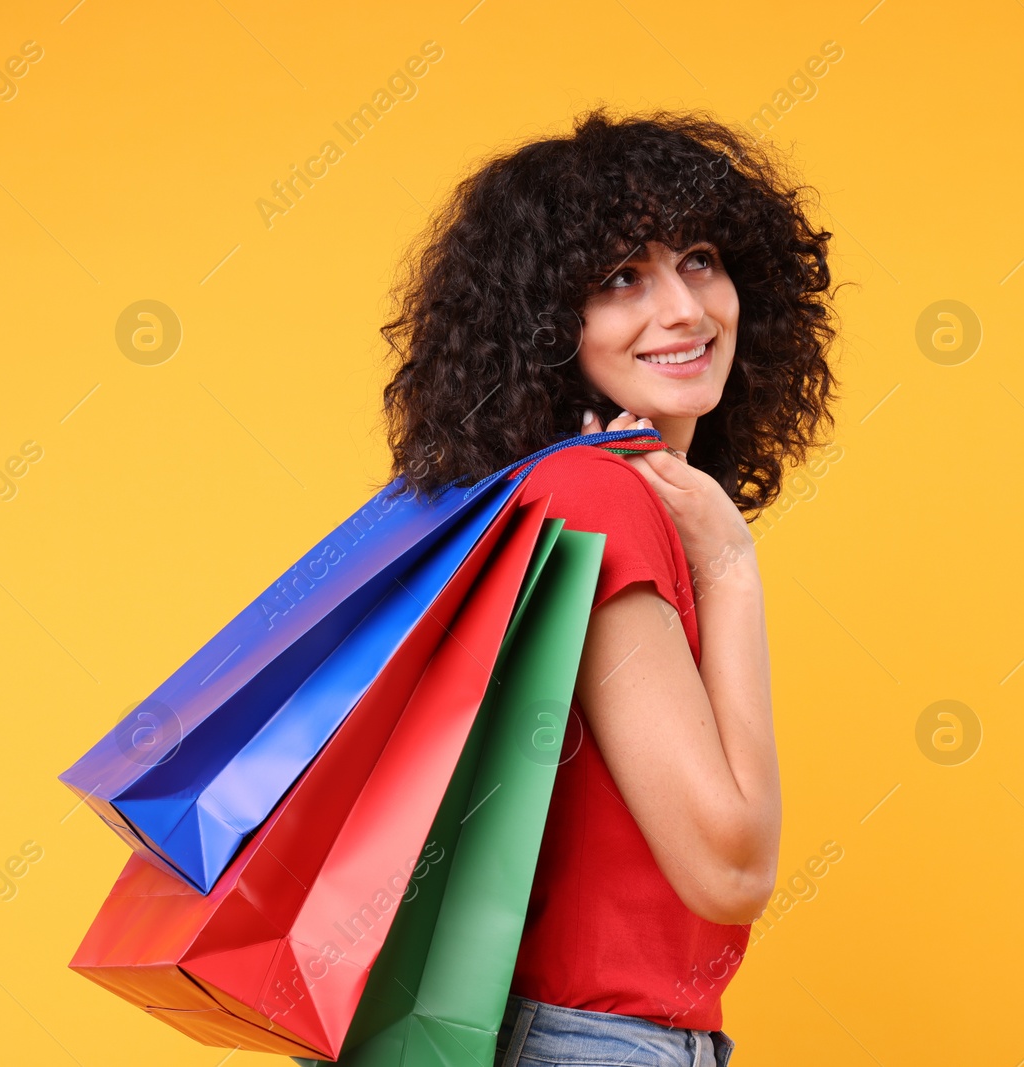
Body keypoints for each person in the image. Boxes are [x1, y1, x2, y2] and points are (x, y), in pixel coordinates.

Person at [379, 107, 840, 1066]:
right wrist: (729, 571)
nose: (683, 308)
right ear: (547, 323)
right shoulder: (593, 498)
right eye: (621, 277)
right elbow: (730, 868)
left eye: (701, 258)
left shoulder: (576, 496)